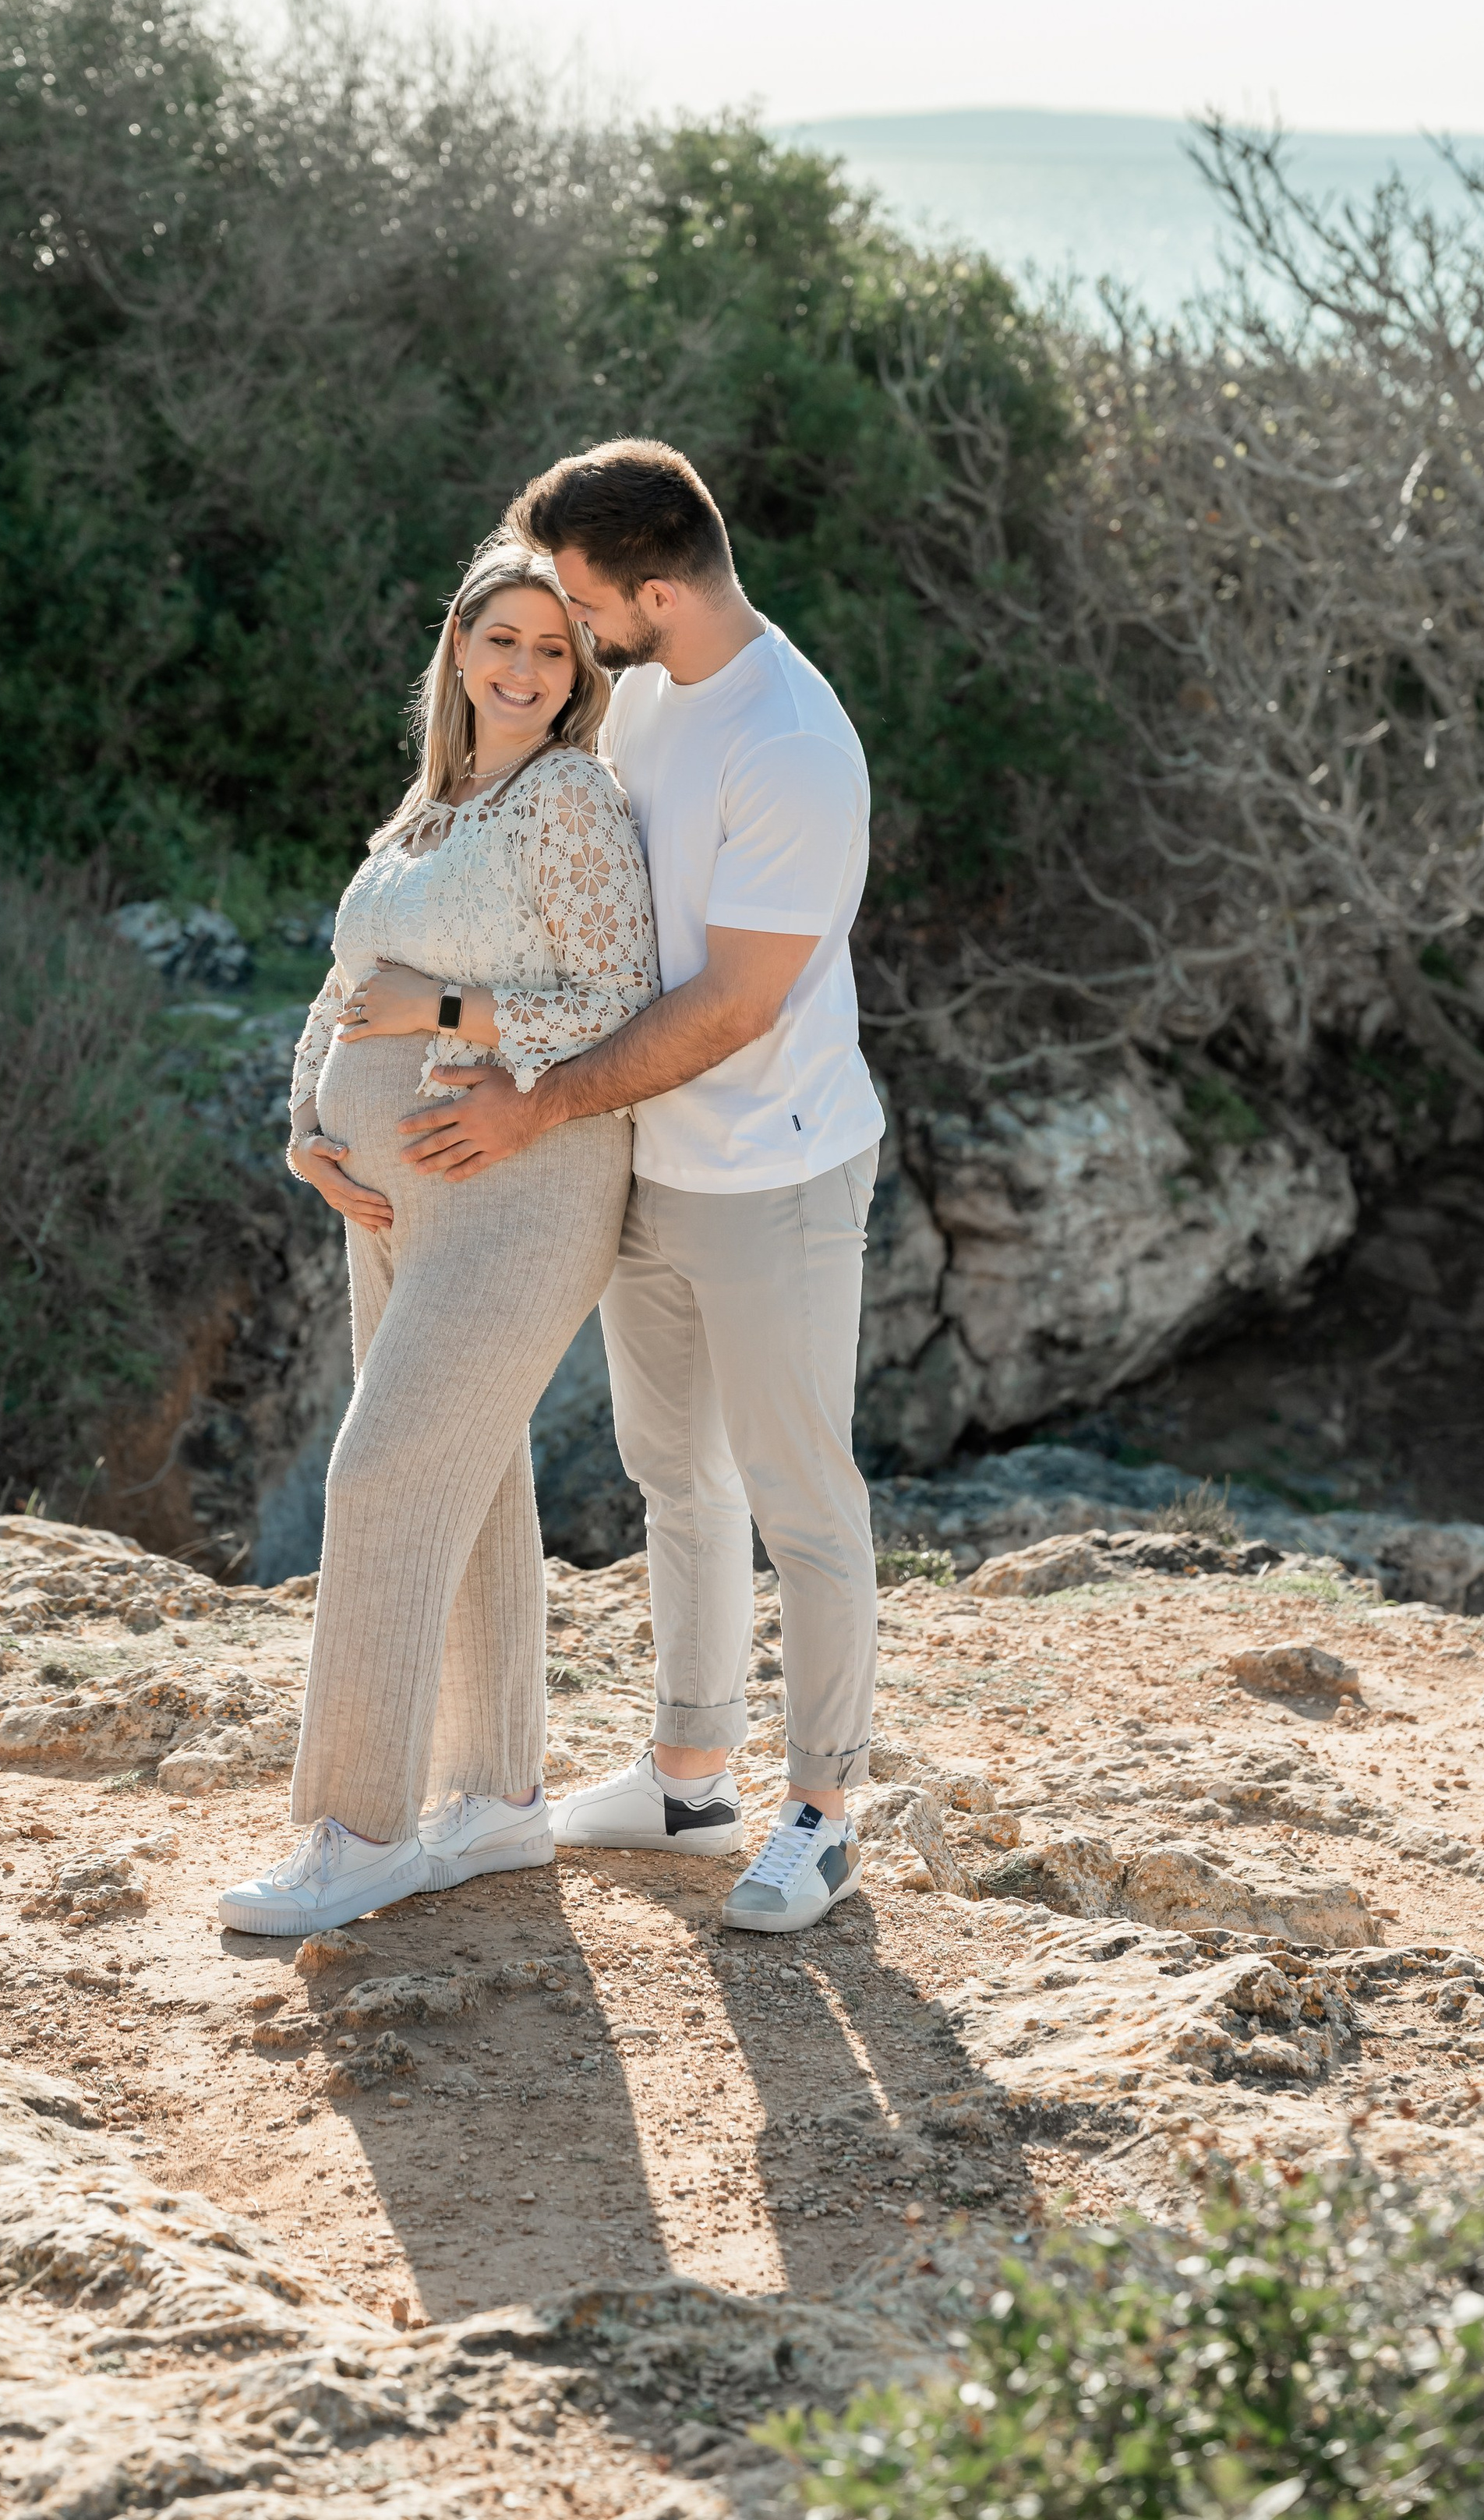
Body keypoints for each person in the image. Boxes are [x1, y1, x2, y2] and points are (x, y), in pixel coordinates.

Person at [397, 439, 884, 1937]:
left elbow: (734, 1003)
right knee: (679, 1475)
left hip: (773, 1170)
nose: (571, 619)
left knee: (804, 1502)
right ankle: (690, 1780)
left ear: (659, 589)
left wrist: (534, 1101)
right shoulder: (652, 695)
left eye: (587, 597)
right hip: (650, 1157)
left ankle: (823, 1813)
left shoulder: (790, 744)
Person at [217, 541, 659, 1939]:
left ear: (579, 670)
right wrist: (308, 1121)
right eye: (503, 643)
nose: (525, 671)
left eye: (552, 650)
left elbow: (619, 997)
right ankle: (500, 1796)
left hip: (523, 1182)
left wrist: (455, 1025)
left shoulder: (570, 798)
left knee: (386, 1473)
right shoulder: (428, 807)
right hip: (392, 1190)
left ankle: (355, 1833)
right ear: (459, 649)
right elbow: (353, 982)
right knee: (467, 1477)